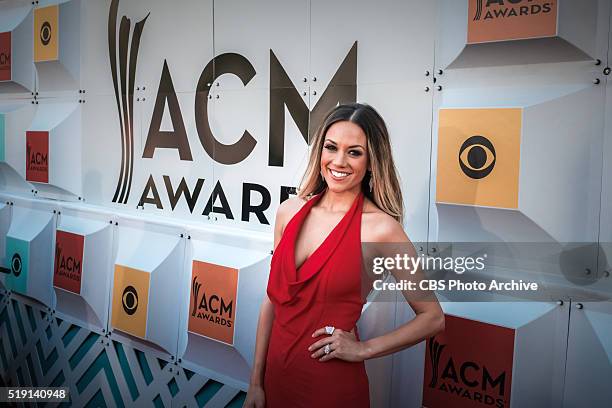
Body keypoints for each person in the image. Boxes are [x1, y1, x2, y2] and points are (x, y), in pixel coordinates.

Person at [244, 103, 445, 407]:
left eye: (354, 152)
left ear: (372, 161)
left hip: (330, 389)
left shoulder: (382, 230)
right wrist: (255, 382)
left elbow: (432, 318)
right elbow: (272, 300)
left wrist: (364, 349)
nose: (339, 161)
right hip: (275, 382)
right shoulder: (288, 211)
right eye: (331, 147)